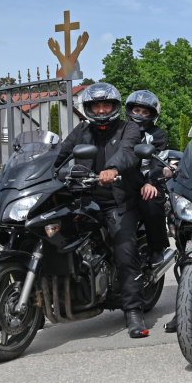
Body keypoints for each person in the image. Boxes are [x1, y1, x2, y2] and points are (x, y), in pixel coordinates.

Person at [54, 82, 150, 339]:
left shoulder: (128, 127)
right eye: (95, 105)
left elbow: (129, 152)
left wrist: (113, 169)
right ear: (88, 108)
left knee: (125, 251)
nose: (101, 109)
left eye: (105, 104)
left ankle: (133, 311)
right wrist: (47, 170)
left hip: (117, 200)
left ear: (115, 106)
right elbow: (61, 153)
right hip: (85, 199)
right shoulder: (82, 130)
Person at [124, 90, 174, 269]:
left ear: (153, 115)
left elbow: (158, 162)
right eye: (137, 110)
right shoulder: (120, 130)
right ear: (129, 110)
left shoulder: (157, 134)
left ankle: (157, 247)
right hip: (122, 181)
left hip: (147, 181)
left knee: (150, 201)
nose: (140, 115)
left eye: (145, 112)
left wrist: (151, 182)